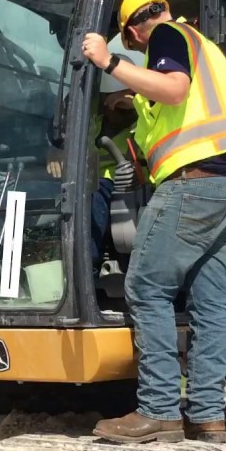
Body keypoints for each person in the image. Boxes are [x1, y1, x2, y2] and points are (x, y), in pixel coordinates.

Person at [81, 0, 226, 443]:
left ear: (135, 29)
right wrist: (125, 101)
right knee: (211, 306)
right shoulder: (209, 51)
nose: (137, 49)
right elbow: (186, 107)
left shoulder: (167, 35)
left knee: (145, 286)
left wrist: (109, 62)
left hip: (193, 186)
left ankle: (158, 409)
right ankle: (207, 416)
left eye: (131, 44)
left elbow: (172, 87)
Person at [89, 37, 141, 275]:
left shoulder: (144, 122)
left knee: (96, 192)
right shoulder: (92, 122)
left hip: (133, 186)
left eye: (124, 97)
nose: (116, 105)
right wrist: (55, 150)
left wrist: (135, 106)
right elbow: (64, 139)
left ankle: (88, 263)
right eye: (112, 99)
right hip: (89, 182)